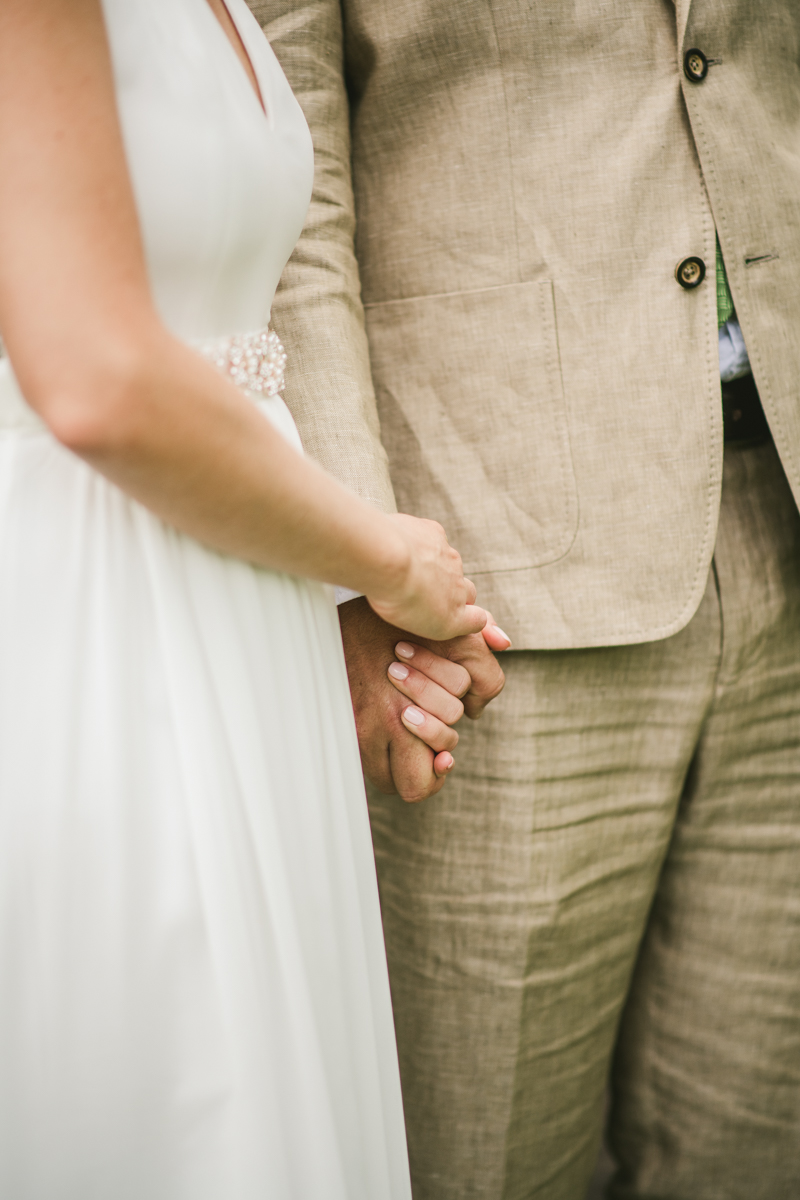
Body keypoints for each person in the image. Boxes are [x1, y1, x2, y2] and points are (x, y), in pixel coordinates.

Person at [247, 3, 800, 1198]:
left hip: (785, 516)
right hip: (481, 575)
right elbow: (288, 170)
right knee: (487, 1157)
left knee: (755, 1141)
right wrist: (356, 561)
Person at [0, 0, 494, 1194]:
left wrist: (342, 581)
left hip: (239, 614)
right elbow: (102, 381)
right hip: (92, 641)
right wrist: (385, 559)